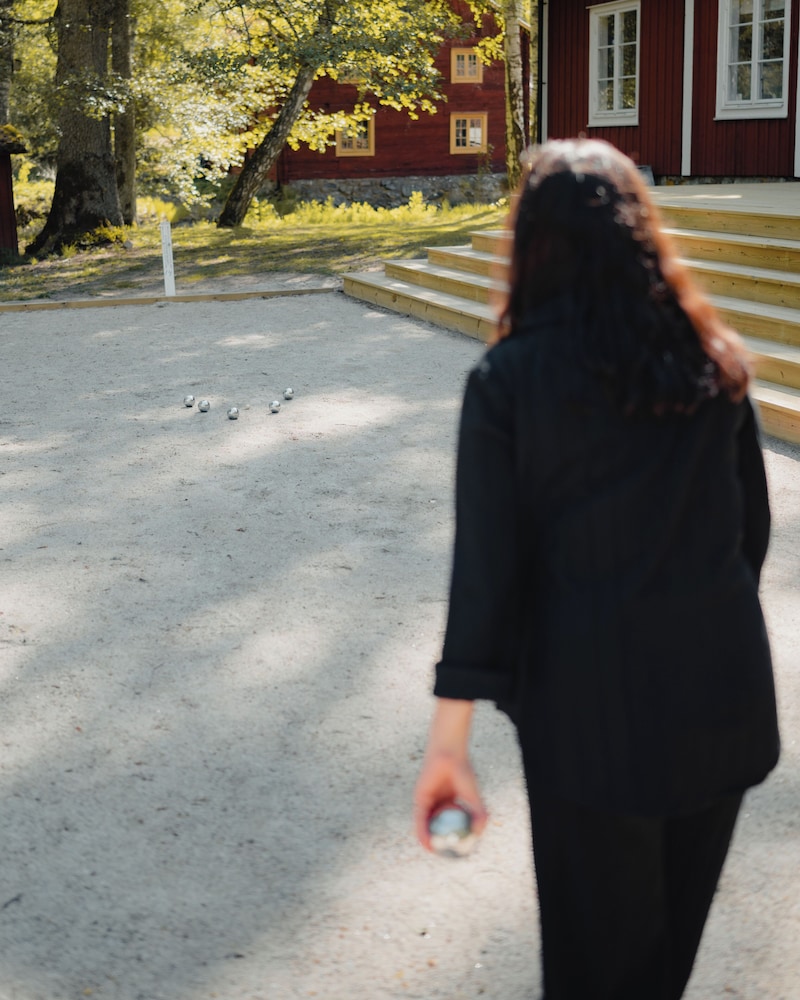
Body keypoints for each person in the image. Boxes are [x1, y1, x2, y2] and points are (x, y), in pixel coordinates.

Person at [413, 138, 780, 1000]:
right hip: (722, 702)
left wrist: (449, 746)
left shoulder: (508, 381)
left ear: (532, 245)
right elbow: (749, 538)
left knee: (594, 973)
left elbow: (485, 576)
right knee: (661, 970)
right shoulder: (714, 363)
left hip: (589, 720)